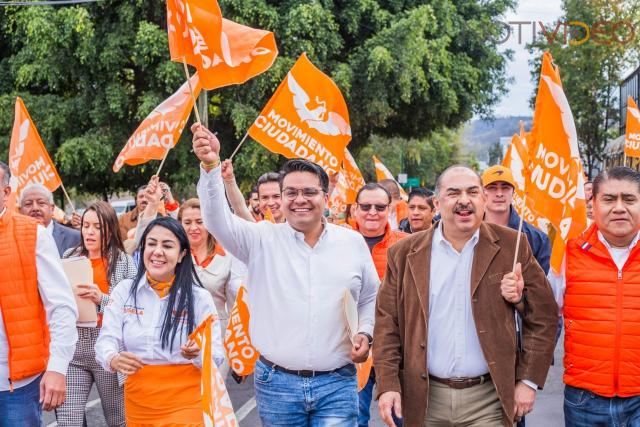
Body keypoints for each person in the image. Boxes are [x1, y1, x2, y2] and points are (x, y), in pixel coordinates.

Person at [192, 124, 379, 426]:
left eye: (309, 192)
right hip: (276, 384)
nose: (300, 199)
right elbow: (215, 218)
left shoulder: (352, 243)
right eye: (291, 192)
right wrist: (211, 165)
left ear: (326, 197)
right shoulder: (260, 240)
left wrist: (366, 332)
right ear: (281, 198)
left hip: (337, 382)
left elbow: (371, 296)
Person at [374, 165, 558, 427]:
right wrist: (388, 383)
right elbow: (386, 324)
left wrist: (527, 381)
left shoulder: (512, 246)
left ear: (483, 200)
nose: (464, 200)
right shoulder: (404, 254)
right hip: (424, 398)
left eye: (472, 192)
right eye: (453, 193)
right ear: (437, 203)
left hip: (489, 400)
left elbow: (544, 317)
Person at [96, 216, 224, 426]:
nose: (157, 251)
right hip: (138, 401)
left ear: (182, 254)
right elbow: (105, 340)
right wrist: (113, 359)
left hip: (187, 401)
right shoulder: (124, 292)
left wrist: (199, 352)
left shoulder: (199, 297)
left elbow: (216, 356)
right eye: (151, 243)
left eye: (167, 245)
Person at [0, 161, 78, 427]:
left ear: (6, 192)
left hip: (16, 386)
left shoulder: (33, 233)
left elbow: (62, 306)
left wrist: (57, 367)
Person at [562, 167, 640, 426]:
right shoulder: (567, 254)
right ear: (592, 204)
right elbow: (539, 316)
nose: (619, 207)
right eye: (609, 199)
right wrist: (519, 296)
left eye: (629, 199)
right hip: (585, 401)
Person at [55, 201, 137, 426]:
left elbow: (133, 308)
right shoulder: (70, 256)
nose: (89, 232)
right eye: (86, 225)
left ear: (110, 229)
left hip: (108, 346)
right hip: (74, 346)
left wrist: (102, 298)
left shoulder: (124, 262)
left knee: (118, 419)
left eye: (97, 227)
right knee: (68, 420)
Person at [352, 183, 408, 427]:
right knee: (355, 418)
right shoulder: (337, 241)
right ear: (355, 209)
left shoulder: (408, 244)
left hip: (397, 347)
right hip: (353, 349)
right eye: (365, 206)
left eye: (379, 206)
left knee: (401, 419)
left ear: (390, 208)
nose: (372, 212)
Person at [178, 198, 238, 339]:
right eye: (187, 222)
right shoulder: (174, 256)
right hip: (181, 333)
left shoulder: (227, 257)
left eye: (200, 222)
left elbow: (233, 305)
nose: (193, 228)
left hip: (218, 334)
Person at [482, 165, 550, 274]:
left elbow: (542, 286)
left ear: (513, 192)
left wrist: (521, 288)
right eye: (492, 188)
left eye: (505, 188)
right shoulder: (469, 232)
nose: (499, 194)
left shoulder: (537, 238)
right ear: (482, 192)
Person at [19, 183, 81, 256]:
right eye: (28, 204)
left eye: (41, 203)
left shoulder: (76, 238)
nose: (35, 208)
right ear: (20, 210)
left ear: (52, 208)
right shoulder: (11, 240)